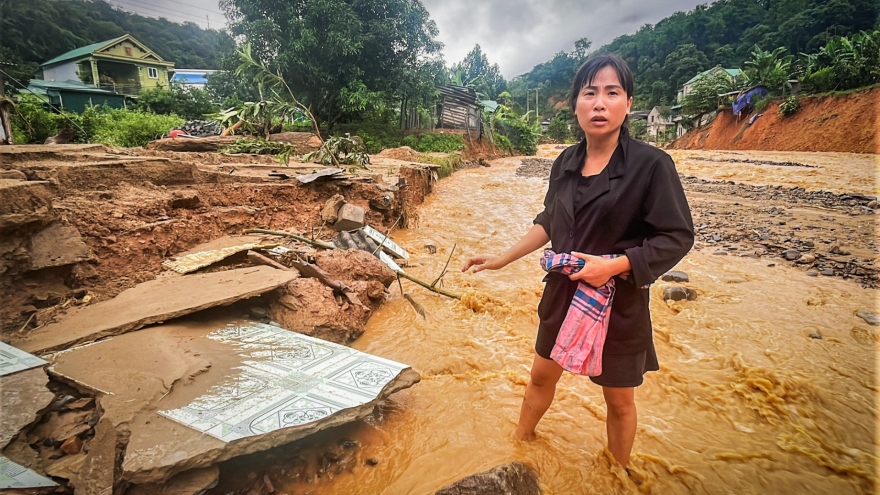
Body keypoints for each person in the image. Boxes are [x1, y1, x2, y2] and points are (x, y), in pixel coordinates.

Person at [461, 54, 694, 470]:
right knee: (539, 377)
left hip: (619, 301)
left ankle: (616, 473)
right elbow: (550, 221)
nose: (600, 103)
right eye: (590, 93)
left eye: (612, 93)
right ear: (575, 105)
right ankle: (519, 446)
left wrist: (615, 265)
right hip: (564, 293)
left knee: (620, 400)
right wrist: (500, 259)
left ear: (628, 103)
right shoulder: (565, 163)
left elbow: (676, 236)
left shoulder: (652, 166)